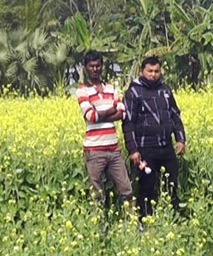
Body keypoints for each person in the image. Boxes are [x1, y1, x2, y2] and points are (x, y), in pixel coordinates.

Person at [122, 56, 186, 218]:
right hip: (145, 149)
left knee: (172, 183)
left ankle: (172, 217)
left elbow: (175, 115)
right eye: (149, 71)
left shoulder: (165, 90)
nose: (153, 74)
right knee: (147, 186)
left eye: (156, 71)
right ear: (142, 71)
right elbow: (128, 123)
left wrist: (180, 139)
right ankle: (145, 220)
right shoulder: (134, 92)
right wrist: (133, 150)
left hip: (166, 146)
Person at [76, 50, 134, 209]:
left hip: (113, 149)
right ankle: (98, 227)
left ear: (102, 67)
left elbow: (122, 113)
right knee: (96, 193)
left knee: (126, 189)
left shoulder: (111, 88)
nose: (95, 69)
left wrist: (99, 114)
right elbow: (90, 116)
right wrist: (110, 111)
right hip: (94, 150)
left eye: (98, 66)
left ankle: (133, 222)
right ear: (86, 68)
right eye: (91, 66)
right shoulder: (82, 90)